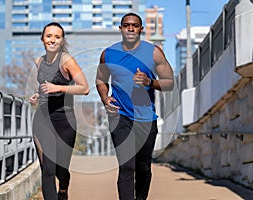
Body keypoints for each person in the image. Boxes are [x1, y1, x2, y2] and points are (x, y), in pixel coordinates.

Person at [96, 13, 174, 200]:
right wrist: (105, 97)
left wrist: (149, 82)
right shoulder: (108, 54)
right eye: (126, 25)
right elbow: (100, 79)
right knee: (126, 166)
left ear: (141, 29)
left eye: (135, 25)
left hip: (146, 118)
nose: (130, 28)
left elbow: (169, 83)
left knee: (143, 168)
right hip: (120, 116)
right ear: (121, 28)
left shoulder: (154, 52)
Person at [29, 22, 89, 200]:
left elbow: (84, 88)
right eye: (49, 36)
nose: (52, 40)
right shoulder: (39, 61)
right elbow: (43, 88)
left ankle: (63, 188)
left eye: (57, 37)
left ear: (62, 41)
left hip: (65, 119)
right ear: (42, 39)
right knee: (47, 169)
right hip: (43, 118)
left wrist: (59, 88)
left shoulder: (67, 60)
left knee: (61, 171)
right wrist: (37, 96)